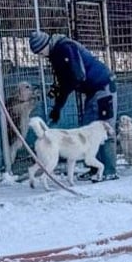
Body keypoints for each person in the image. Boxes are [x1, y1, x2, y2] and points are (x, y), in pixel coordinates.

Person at [28, 29, 118, 181]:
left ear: (45, 45)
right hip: (91, 91)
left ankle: (109, 171)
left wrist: (60, 103)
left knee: (105, 130)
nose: (40, 56)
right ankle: (94, 169)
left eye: (40, 52)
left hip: (103, 87)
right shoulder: (55, 54)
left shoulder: (65, 48)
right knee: (87, 130)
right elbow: (64, 82)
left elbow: (77, 76)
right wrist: (58, 104)